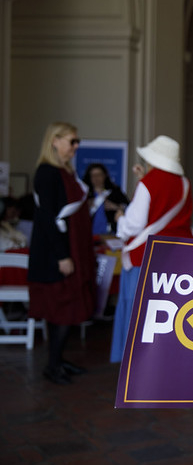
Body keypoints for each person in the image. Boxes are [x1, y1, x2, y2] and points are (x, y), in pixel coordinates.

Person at [110, 135, 193, 363]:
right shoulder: (184, 183)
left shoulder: (148, 183)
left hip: (144, 256)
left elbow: (134, 224)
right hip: (177, 257)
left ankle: (134, 364)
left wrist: (119, 219)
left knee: (138, 313)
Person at [27, 122, 96, 385]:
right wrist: (62, 256)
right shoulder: (47, 172)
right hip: (57, 253)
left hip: (72, 248)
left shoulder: (66, 172)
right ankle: (52, 366)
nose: (76, 146)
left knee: (68, 309)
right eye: (72, 141)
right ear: (54, 141)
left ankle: (58, 360)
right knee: (61, 309)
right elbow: (47, 218)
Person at [82, 163, 129, 235]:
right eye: (93, 175)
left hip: (110, 234)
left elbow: (128, 207)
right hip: (88, 234)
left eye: (99, 175)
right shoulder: (84, 193)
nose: (96, 178)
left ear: (104, 175)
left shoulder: (114, 191)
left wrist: (116, 207)